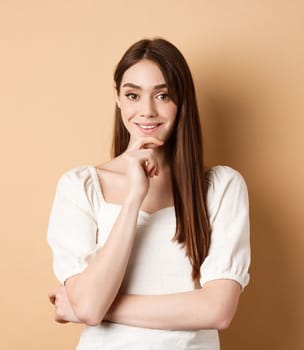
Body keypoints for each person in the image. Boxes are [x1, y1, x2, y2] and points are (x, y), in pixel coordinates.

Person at [46, 38, 251, 349]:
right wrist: (133, 199)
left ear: (182, 100)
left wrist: (92, 307)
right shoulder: (81, 186)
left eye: (163, 95)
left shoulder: (221, 187)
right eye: (133, 95)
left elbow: (218, 310)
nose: (147, 111)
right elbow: (89, 306)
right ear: (117, 98)